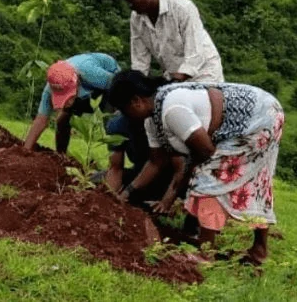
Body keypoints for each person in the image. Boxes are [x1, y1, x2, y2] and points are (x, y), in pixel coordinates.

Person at [107, 70, 285, 265]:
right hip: (262, 112)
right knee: (254, 181)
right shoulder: (152, 117)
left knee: (207, 180)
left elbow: (205, 151)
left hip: (258, 117)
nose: (126, 117)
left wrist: (171, 196)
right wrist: (126, 194)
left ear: (136, 101)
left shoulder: (171, 109)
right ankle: (259, 249)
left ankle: (205, 253)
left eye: (124, 110)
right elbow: (156, 162)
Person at [115, 0, 223, 83]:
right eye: (127, 1)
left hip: (205, 74)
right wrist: (137, 83)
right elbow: (140, 60)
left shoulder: (182, 7)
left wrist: (178, 78)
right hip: (173, 77)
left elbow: (195, 51)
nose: (130, 5)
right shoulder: (136, 18)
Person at [23, 53, 119, 153]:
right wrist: (25, 150)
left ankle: (115, 166)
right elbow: (41, 120)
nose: (67, 102)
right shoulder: (52, 85)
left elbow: (120, 84)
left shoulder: (92, 74)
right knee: (62, 119)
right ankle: (61, 156)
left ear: (76, 82)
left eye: (67, 95)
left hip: (109, 89)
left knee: (111, 122)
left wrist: (118, 109)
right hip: (85, 91)